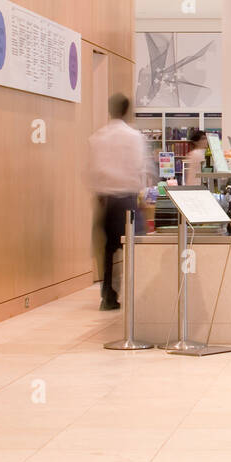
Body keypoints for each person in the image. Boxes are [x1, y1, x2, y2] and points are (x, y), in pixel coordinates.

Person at [87, 93, 153, 311]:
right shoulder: (134, 137)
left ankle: (108, 296)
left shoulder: (97, 137)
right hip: (127, 199)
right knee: (135, 248)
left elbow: (92, 172)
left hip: (105, 201)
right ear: (127, 111)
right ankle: (139, 294)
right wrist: (142, 198)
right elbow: (140, 169)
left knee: (108, 250)